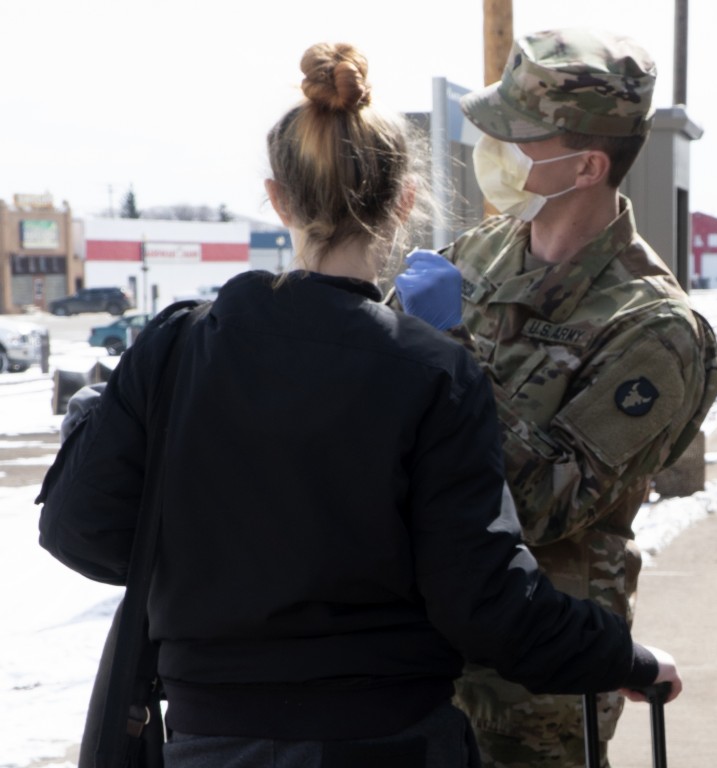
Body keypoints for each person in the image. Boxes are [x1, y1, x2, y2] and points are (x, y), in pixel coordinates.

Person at [37, 42, 678, 767]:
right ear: (406, 202)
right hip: (386, 736)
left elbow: (80, 529)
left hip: (211, 737)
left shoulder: (176, 348)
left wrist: (213, 562)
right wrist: (620, 658)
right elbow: (482, 599)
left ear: (278, 197)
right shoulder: (434, 369)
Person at [392, 28, 717, 768]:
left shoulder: (655, 328)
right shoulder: (474, 256)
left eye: (516, 136)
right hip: (411, 644)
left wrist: (450, 353)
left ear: (587, 164)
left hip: (533, 681)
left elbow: (540, 500)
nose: (492, 147)